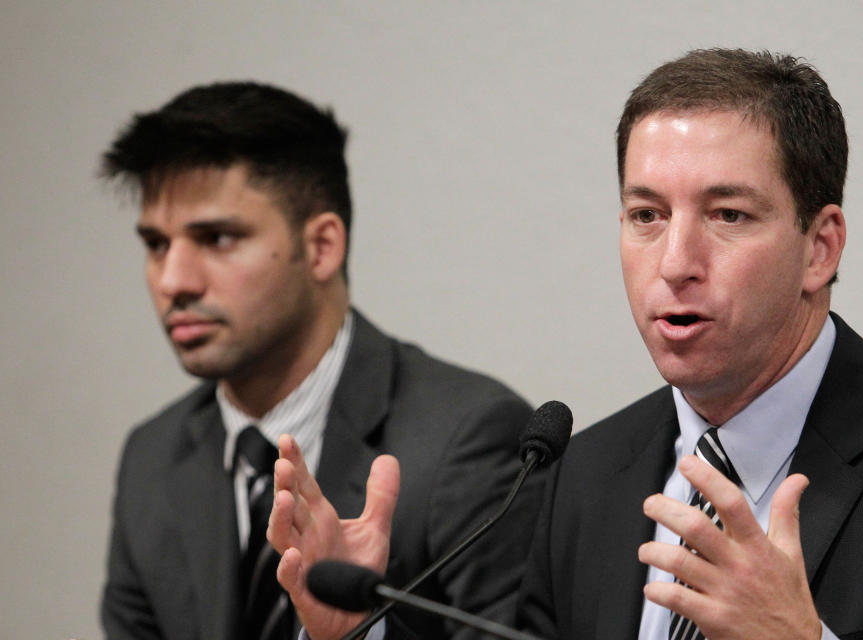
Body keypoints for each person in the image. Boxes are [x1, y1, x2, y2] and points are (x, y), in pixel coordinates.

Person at [275, 49, 863, 640]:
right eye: (646, 216)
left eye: (728, 215)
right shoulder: (584, 474)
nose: (674, 262)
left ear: (820, 248)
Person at [99, 81, 542, 640]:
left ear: (322, 247)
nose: (172, 281)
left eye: (215, 238)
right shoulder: (154, 459)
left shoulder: (471, 441)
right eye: (156, 245)